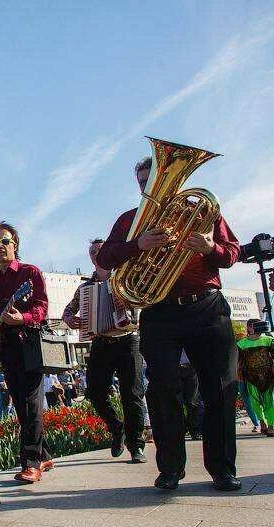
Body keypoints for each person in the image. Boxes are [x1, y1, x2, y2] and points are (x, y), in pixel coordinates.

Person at [97, 155, 240, 491]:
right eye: (145, 183)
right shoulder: (132, 220)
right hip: (159, 310)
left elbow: (233, 252)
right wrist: (137, 244)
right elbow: (105, 258)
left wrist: (211, 247)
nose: (153, 187)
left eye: (159, 179)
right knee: (163, 390)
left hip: (207, 307)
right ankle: (171, 469)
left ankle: (222, 470)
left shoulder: (201, 211)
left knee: (219, 388)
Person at [0, 222, 53, 483]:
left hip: (29, 342)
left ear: (15, 245)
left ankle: (31, 463)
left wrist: (24, 317)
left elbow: (43, 307)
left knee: (32, 401)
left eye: (5, 242)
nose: (0, 247)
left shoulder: (30, 272)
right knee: (21, 404)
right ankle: (43, 454)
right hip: (6, 347)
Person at [63, 238, 148, 462]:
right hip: (101, 342)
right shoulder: (85, 288)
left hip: (128, 340)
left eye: (99, 250)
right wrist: (71, 319)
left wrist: (129, 303)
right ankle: (116, 426)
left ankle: (136, 444)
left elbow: (145, 300)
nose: (95, 254)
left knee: (133, 395)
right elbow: (68, 311)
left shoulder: (126, 276)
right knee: (95, 393)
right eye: (92, 252)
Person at [237, 319, 274, 435]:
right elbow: (239, 362)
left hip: (267, 376)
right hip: (251, 378)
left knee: (270, 402)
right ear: (249, 328)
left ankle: (271, 426)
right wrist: (239, 376)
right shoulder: (242, 344)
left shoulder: (268, 340)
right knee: (255, 402)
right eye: (255, 325)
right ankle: (262, 423)